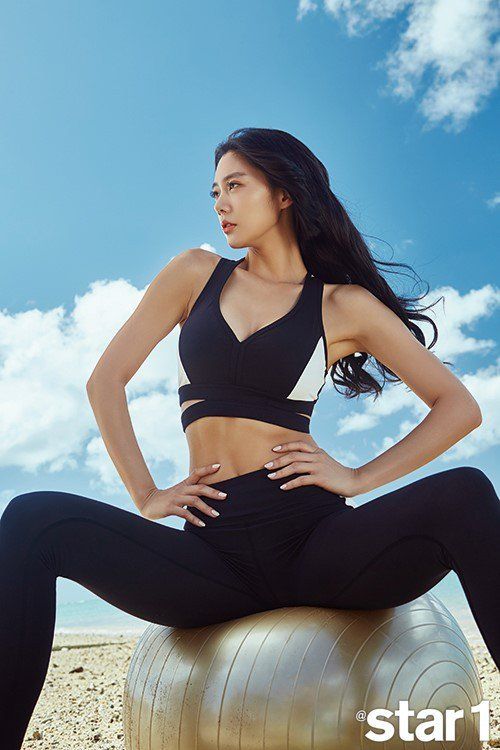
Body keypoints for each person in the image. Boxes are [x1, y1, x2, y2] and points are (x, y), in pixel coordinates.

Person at [1, 127, 499, 749]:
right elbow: (107, 380)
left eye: (236, 186)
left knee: (468, 495)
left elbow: (459, 406)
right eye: (215, 192)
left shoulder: (341, 304)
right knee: (31, 520)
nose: (220, 204)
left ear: (284, 192)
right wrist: (147, 494)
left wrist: (357, 477)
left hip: (315, 543)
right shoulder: (194, 274)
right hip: (212, 556)